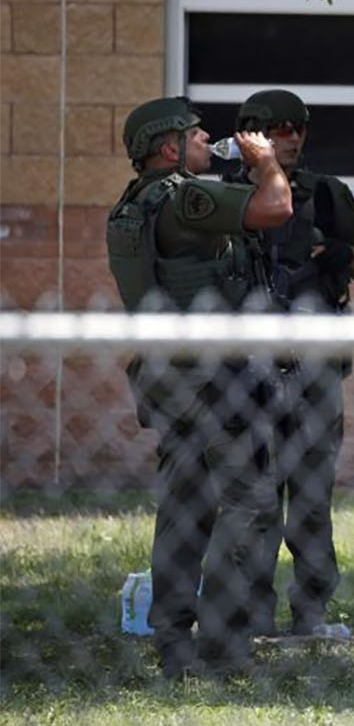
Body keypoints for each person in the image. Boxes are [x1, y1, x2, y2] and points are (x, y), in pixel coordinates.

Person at [106, 96, 292, 677]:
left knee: (183, 507)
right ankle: (222, 643)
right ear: (168, 149)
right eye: (193, 134)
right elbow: (275, 207)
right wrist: (264, 161)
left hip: (171, 374)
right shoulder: (184, 195)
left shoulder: (131, 205)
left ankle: (172, 638)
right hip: (217, 378)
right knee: (247, 502)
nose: (207, 137)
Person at [231, 89, 354, 638]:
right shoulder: (225, 196)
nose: (290, 137)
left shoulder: (327, 193)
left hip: (314, 368)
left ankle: (311, 614)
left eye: (298, 128)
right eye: (277, 128)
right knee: (256, 498)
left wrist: (341, 254)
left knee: (311, 500)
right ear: (251, 134)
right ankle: (253, 615)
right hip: (250, 368)